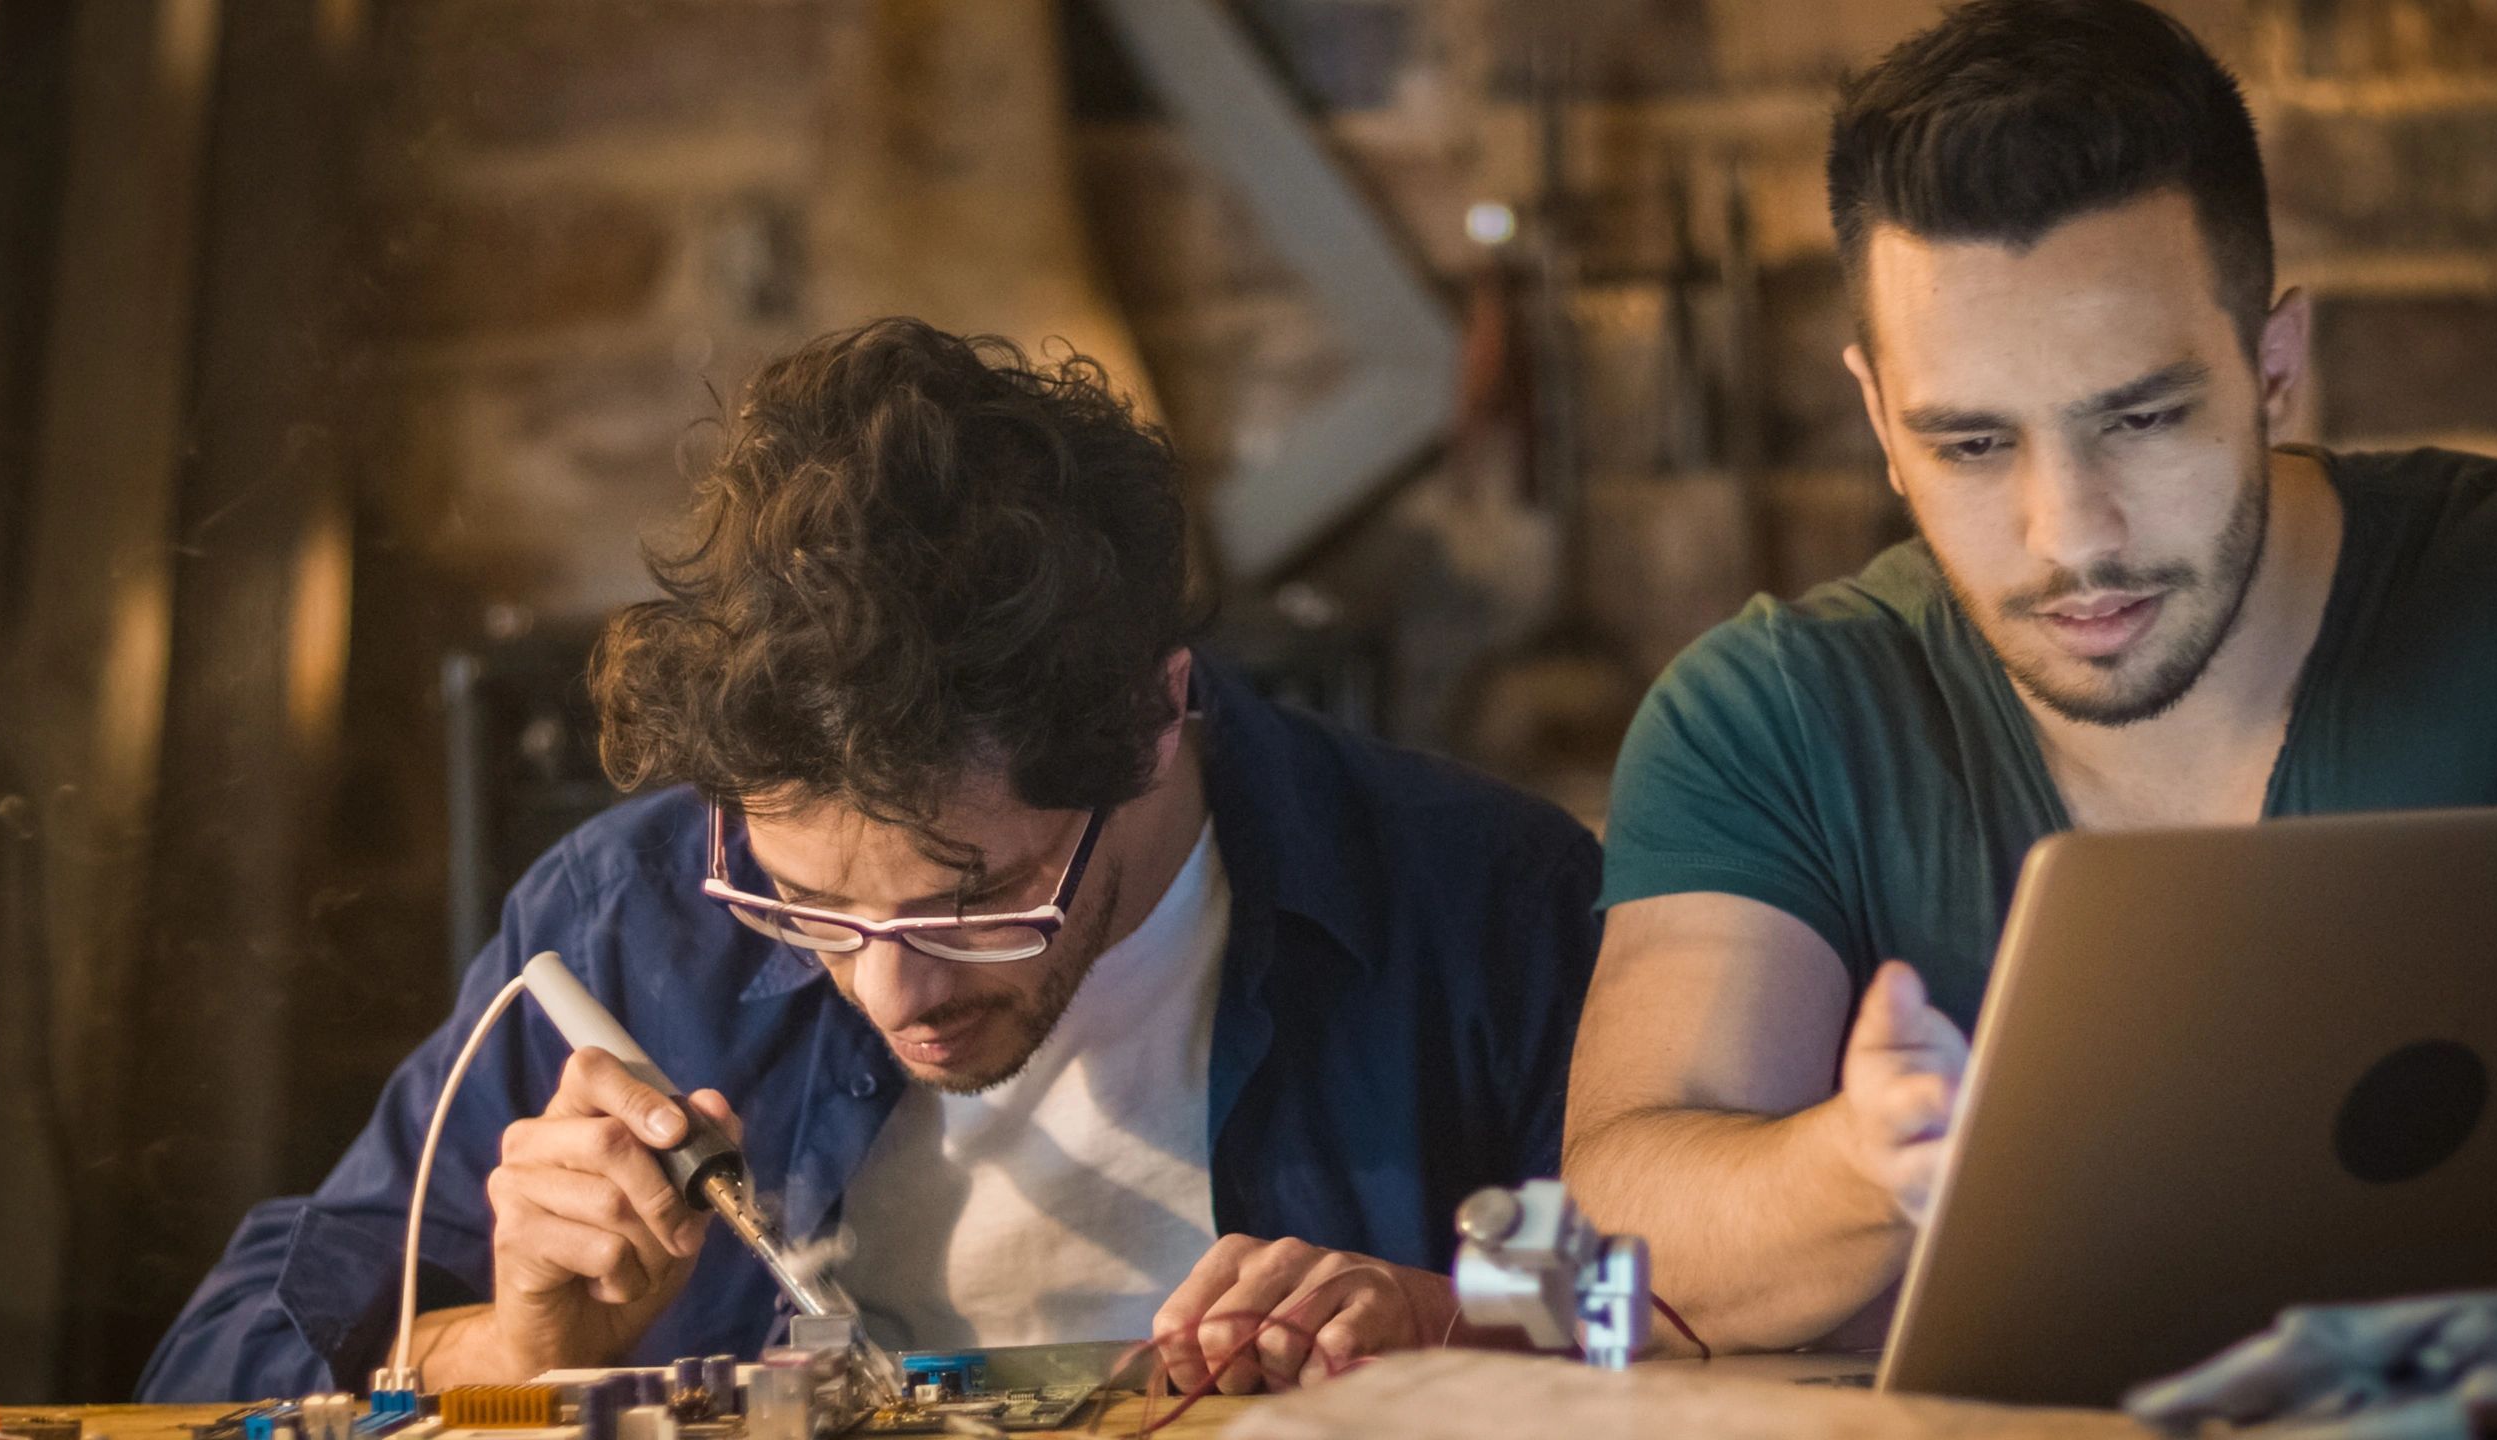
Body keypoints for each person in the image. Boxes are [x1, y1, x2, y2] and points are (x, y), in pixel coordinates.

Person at [144, 319, 1602, 1400]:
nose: (890, 992)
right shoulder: (636, 918)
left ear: (1161, 717)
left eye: (974, 898)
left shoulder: (1478, 901)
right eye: (812, 907)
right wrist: (507, 1354)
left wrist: (1441, 1309)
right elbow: (210, 1371)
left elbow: (1689, 1305)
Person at [1564, 0, 2497, 1356]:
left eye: (2140, 419)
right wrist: (1866, 1169)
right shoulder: (1770, 715)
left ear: (2274, 366)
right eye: (1970, 445)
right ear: (1880, 426)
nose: (2070, 534)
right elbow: (1608, 1262)